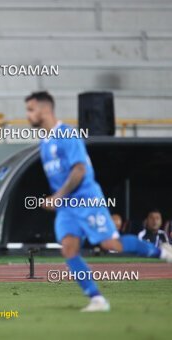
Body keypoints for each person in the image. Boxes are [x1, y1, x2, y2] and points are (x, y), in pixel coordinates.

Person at [25, 91, 172, 312]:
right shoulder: (45, 143)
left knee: (111, 245)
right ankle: (97, 299)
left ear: (45, 110)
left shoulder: (66, 134)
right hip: (67, 207)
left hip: (86, 200)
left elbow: (80, 169)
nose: (28, 115)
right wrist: (57, 199)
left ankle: (160, 251)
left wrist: (57, 196)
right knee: (69, 249)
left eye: (31, 109)